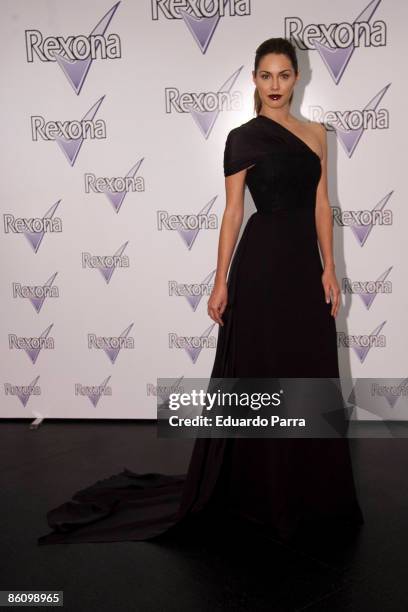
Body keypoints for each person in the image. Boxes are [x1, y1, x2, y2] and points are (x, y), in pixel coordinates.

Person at [38, 37, 364, 546]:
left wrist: (330, 267)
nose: (275, 85)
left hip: (305, 268)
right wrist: (219, 280)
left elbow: (323, 204)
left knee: (309, 370)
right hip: (261, 267)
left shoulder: (318, 133)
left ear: (297, 78)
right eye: (266, 76)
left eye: (284, 75)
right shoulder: (241, 138)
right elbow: (234, 212)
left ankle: (313, 492)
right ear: (254, 80)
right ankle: (260, 490)